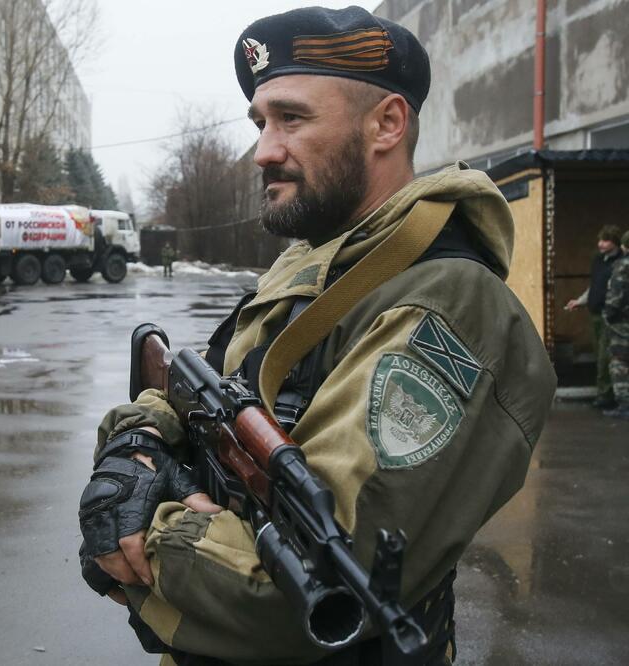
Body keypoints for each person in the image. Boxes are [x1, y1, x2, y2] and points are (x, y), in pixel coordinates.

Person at [78, 7, 556, 666]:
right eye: (261, 123)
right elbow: (208, 382)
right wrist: (140, 439)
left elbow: (296, 598)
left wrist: (138, 534)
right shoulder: (316, 262)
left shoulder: (449, 308)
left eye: (292, 119)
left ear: (387, 123)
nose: (265, 150)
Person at [565, 225, 624, 409]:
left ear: (614, 242)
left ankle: (607, 395)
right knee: (600, 353)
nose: (600, 244)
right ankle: (605, 392)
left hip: (611, 316)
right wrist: (581, 301)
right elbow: (595, 287)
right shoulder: (599, 261)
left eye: (605, 240)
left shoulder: (621, 263)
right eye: (600, 240)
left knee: (606, 356)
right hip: (596, 313)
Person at [602, 231, 629, 419]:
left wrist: (608, 314)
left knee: (619, 362)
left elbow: (616, 296)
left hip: (622, 324)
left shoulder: (622, 266)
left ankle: (624, 405)